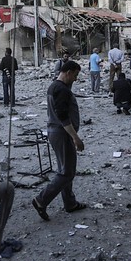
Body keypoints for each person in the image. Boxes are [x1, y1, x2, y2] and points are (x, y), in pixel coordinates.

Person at [31, 60, 87, 221]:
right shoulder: (61, 89)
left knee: (65, 169)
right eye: (75, 75)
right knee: (67, 172)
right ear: (68, 72)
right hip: (62, 133)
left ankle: (70, 203)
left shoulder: (54, 86)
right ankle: (41, 200)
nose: (76, 79)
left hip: (57, 132)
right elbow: (63, 116)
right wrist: (75, 138)